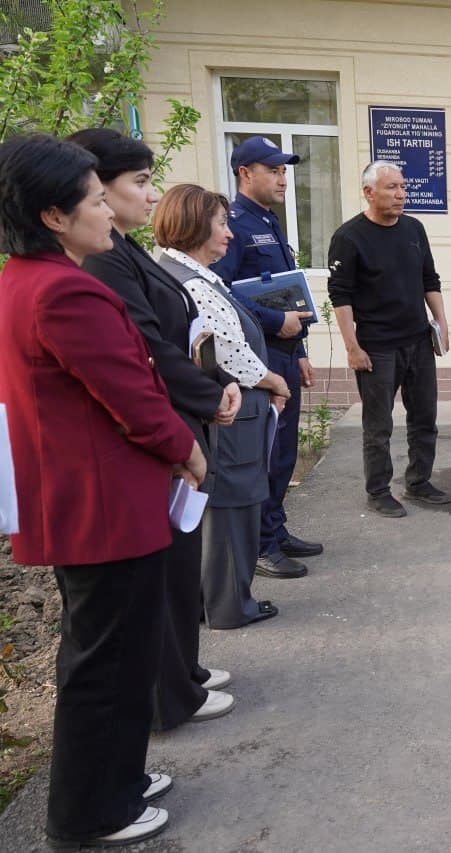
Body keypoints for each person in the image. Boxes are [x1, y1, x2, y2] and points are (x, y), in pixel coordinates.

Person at [0, 133, 205, 848]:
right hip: (102, 505)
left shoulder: (29, 278)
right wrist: (186, 449)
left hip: (93, 499)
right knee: (106, 662)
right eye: (95, 201)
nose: (109, 214)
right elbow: (131, 392)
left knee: (112, 653)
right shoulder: (63, 290)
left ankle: (118, 776)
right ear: (54, 215)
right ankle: (90, 812)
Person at [71, 128, 241, 731]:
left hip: (182, 411)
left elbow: (180, 331)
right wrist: (203, 397)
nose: (151, 197)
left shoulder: (125, 247)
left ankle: (183, 674)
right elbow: (145, 347)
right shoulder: (100, 260)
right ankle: (171, 693)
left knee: (175, 572)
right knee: (160, 576)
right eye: (139, 184)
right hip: (160, 427)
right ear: (91, 187)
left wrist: (210, 384)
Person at [155, 184, 290, 629]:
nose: (229, 234)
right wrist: (273, 380)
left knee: (231, 503)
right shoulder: (190, 279)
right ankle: (232, 606)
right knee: (233, 505)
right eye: (221, 223)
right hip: (231, 410)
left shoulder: (187, 273)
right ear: (194, 226)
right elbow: (228, 351)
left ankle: (220, 599)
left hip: (230, 408)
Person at [209, 135, 321, 581]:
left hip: (286, 351)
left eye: (284, 171)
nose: (282, 178)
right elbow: (222, 295)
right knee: (268, 452)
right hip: (260, 353)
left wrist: (302, 351)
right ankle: (261, 544)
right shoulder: (234, 224)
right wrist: (277, 325)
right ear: (245, 173)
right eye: (273, 170)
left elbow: (285, 288)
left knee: (285, 450)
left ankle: (275, 528)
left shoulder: (269, 221)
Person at [327, 161, 451, 518]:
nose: (400, 194)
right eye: (391, 188)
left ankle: (419, 482)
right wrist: (352, 347)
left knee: (425, 417)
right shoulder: (349, 238)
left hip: (418, 343)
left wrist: (442, 322)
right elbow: (341, 296)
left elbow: (430, 278)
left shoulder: (414, 229)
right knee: (378, 426)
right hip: (377, 348)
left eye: (403, 187)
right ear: (368, 192)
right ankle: (378, 490)